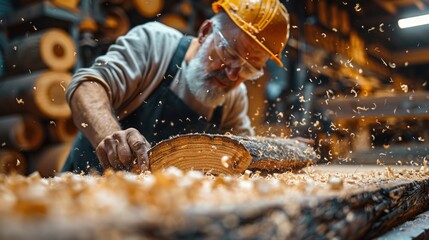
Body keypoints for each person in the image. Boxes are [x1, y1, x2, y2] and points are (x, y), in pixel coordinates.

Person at [61, 0, 290, 174]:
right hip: (83, 195)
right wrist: (110, 135)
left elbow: (245, 155)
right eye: (227, 53)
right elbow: (87, 86)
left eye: (248, 69)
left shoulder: (233, 98)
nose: (232, 73)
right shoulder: (155, 43)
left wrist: (281, 151)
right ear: (205, 32)